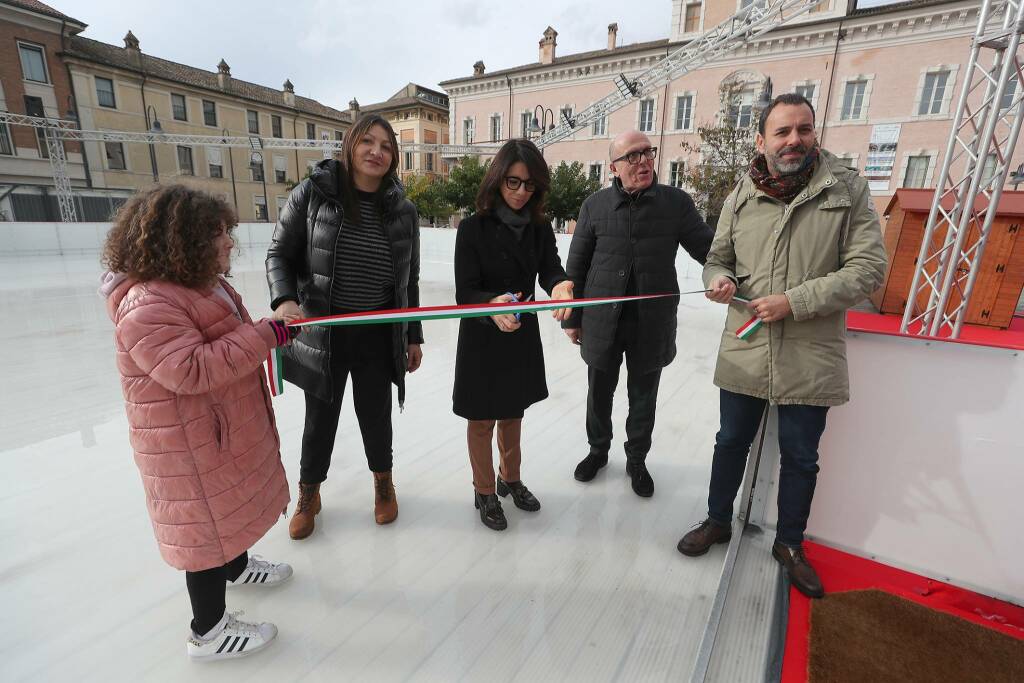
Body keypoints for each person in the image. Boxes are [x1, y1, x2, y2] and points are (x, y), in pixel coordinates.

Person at [676, 94, 887, 598]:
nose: (794, 139)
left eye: (804, 129)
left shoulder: (847, 190)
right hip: (746, 346)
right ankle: (717, 520)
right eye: (782, 131)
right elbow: (716, 258)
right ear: (762, 140)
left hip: (809, 352)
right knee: (730, 442)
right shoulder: (741, 193)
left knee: (800, 456)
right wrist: (720, 278)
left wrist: (795, 300)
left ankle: (790, 543)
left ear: (814, 133)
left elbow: (869, 269)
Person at [101, 184, 295, 660]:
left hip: (212, 431)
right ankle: (208, 631)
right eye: (219, 234)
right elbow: (190, 369)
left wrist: (264, 334)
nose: (230, 243)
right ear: (183, 240)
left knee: (225, 508)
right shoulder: (149, 303)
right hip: (186, 447)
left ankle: (237, 565)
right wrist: (263, 336)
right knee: (204, 530)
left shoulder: (196, 285)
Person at [266, 114, 423, 537]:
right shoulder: (313, 195)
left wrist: (413, 335)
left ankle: (383, 484)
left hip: (376, 333)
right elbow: (279, 254)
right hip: (324, 334)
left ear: (393, 157)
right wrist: (284, 300)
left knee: (377, 415)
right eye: (367, 142)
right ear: (350, 146)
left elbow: (410, 280)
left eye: (386, 146)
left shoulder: (403, 210)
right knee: (320, 419)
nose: (376, 152)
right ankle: (309, 492)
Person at [562, 130, 714, 497]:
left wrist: (725, 273)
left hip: (652, 322)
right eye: (633, 156)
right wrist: (572, 318)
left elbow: (707, 248)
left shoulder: (675, 203)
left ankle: (636, 459)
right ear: (614, 167)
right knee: (599, 393)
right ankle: (598, 451)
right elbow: (576, 266)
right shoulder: (594, 207)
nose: (644, 161)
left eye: (647, 152)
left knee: (643, 397)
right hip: (601, 320)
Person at [453, 139, 574, 530]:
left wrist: (561, 286)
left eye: (529, 185)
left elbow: (551, 269)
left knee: (512, 412)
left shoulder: (539, 228)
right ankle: (484, 490)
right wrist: (491, 305)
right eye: (513, 182)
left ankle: (511, 478)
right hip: (483, 337)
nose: (521, 192)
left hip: (520, 334)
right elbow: (465, 291)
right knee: (481, 418)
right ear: (497, 180)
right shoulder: (472, 228)